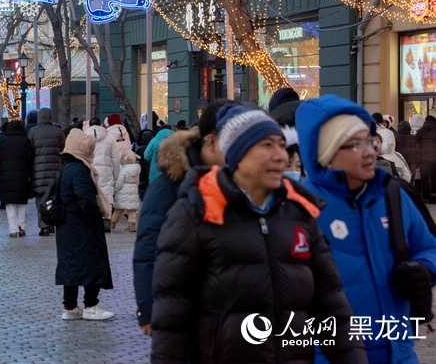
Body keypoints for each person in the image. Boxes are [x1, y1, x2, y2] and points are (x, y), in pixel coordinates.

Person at [151, 103, 365, 362]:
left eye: (281, 144)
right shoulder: (196, 212)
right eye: (266, 145)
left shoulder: (300, 211)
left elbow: (332, 307)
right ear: (237, 154)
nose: (281, 156)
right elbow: (172, 319)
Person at [296, 95, 436, 363]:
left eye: (371, 141)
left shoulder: (393, 195)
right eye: (355, 144)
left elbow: (429, 246)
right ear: (326, 153)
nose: (370, 151)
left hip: (398, 354)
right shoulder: (298, 207)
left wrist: (424, 268)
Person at [132, 102, 226, 336]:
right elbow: (147, 251)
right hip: (184, 310)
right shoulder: (169, 186)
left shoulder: (233, 180)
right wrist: (148, 308)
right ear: (212, 141)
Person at [56, 130, 115, 321]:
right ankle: (91, 305)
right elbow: (86, 200)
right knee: (91, 263)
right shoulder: (79, 170)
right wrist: (95, 219)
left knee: (72, 266)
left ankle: (70, 306)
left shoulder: (66, 167)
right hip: (81, 226)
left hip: (67, 226)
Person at [0, 119, 34, 238]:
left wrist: (1, 163)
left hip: (6, 174)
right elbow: (31, 158)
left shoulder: (2, 141)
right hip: (22, 175)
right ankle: (22, 226)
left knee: (10, 203)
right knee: (22, 202)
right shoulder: (25, 141)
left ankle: (13, 229)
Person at [28, 108, 66, 236]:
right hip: (55, 170)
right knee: (52, 198)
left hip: (37, 170)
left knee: (40, 200)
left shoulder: (32, 132)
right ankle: (52, 224)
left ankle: (44, 225)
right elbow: (62, 148)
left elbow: (29, 151)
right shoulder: (58, 132)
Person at [83, 118, 117, 224]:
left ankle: (92, 217)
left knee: (90, 192)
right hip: (106, 170)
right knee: (107, 192)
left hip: (89, 170)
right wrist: (116, 174)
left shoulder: (83, 138)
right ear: (101, 124)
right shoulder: (109, 138)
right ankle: (106, 218)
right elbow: (115, 158)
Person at [111, 151, 140, 232]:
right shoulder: (136, 169)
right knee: (132, 210)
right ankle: (132, 226)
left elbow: (120, 181)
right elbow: (137, 181)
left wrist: (116, 189)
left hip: (122, 192)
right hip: (133, 189)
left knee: (118, 209)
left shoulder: (123, 170)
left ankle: (112, 223)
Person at [417, 115, 436, 202]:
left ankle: (426, 197)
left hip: (423, 158)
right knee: (434, 177)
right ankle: (434, 195)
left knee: (424, 178)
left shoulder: (420, 132)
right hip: (434, 158)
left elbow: (416, 146)